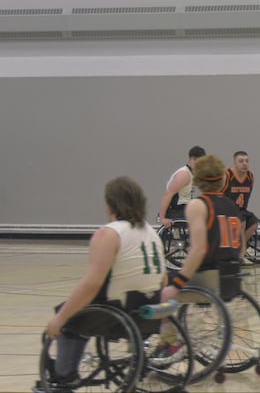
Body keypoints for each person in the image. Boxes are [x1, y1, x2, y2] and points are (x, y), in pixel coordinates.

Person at [37, 177, 166, 391]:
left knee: (68, 319)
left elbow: (92, 284)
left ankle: (64, 377)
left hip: (117, 313)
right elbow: (163, 280)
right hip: (148, 312)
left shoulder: (109, 233)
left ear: (109, 204)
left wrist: (61, 318)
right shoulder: (151, 232)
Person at [159, 154, 243, 355]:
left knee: (161, 286)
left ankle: (169, 342)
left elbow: (198, 250)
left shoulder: (197, 205)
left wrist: (178, 284)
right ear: (223, 179)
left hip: (206, 279)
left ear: (197, 180)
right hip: (231, 277)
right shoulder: (232, 206)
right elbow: (242, 246)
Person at [158, 146, 206, 229]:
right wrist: (162, 218)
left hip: (185, 209)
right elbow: (168, 194)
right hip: (177, 212)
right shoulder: (184, 175)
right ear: (191, 159)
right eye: (196, 161)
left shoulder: (193, 174)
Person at [222, 150, 257, 256]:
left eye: (247, 161)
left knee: (253, 223)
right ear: (235, 163)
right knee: (241, 221)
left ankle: (241, 246)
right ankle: (241, 252)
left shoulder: (250, 176)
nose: (244, 163)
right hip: (226, 209)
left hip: (241, 209)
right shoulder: (227, 175)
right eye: (241, 161)